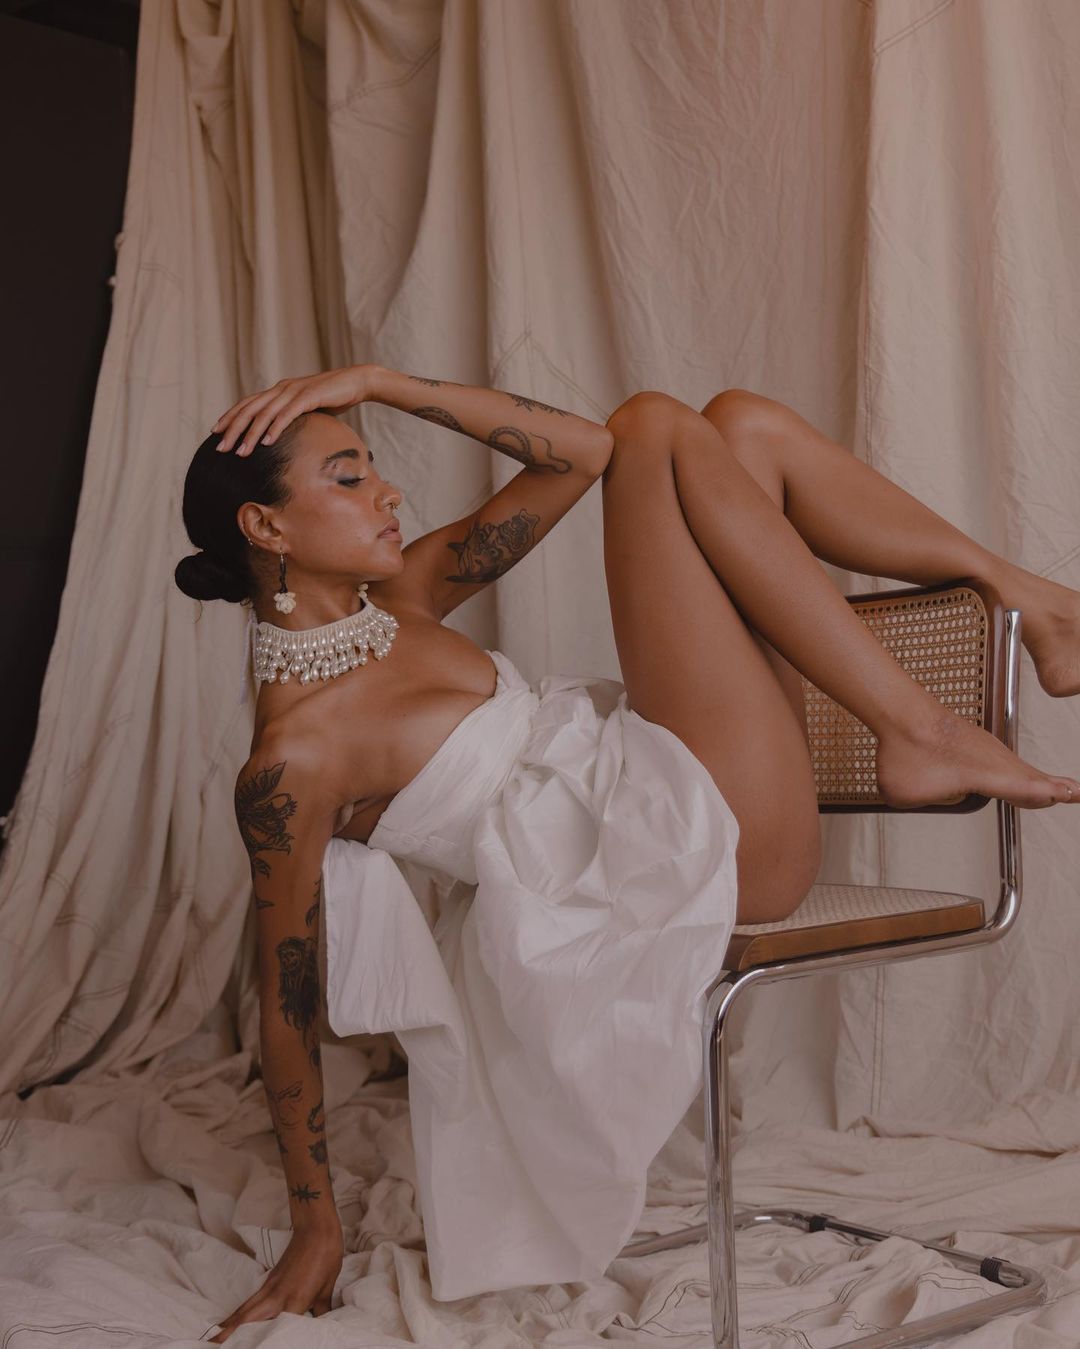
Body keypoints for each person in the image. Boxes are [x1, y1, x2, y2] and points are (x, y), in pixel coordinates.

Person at [175, 364, 1080, 1340]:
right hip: (692, 859)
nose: (388, 491)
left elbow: (579, 452)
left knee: (743, 426)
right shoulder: (292, 763)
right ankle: (923, 723)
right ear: (266, 527)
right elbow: (287, 1005)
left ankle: (1020, 601)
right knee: (657, 423)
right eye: (350, 477)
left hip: (683, 781)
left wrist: (379, 381)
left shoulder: (409, 595)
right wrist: (316, 1226)